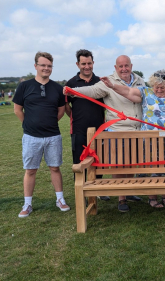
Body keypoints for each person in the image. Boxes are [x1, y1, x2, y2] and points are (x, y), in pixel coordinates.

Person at [63, 55, 145, 212]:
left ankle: (128, 191)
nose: (124, 69)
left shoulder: (140, 81)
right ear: (115, 68)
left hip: (137, 129)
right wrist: (72, 91)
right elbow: (92, 90)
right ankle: (121, 198)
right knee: (119, 165)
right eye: (120, 66)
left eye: (126, 65)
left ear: (131, 66)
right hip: (118, 130)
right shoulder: (108, 82)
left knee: (131, 163)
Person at [101, 69, 165, 208]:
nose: (158, 89)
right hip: (148, 138)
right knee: (150, 168)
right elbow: (128, 92)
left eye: (162, 87)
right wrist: (112, 86)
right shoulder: (146, 92)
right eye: (156, 87)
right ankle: (152, 197)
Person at [13, 51, 69, 218]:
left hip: (53, 136)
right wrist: (29, 125)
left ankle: (60, 200)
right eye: (43, 65)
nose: (46, 68)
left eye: (49, 66)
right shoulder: (24, 86)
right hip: (31, 137)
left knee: (55, 168)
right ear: (35, 66)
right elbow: (17, 109)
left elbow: (60, 111)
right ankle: (27, 204)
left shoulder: (57, 88)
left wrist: (48, 123)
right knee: (30, 170)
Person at [65, 49, 109, 201]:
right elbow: (66, 106)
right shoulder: (70, 83)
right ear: (78, 64)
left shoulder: (101, 82)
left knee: (99, 160)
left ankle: (98, 190)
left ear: (93, 63)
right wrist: (75, 117)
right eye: (83, 63)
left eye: (89, 63)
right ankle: (81, 191)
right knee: (79, 161)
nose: (86, 66)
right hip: (78, 129)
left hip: (99, 128)